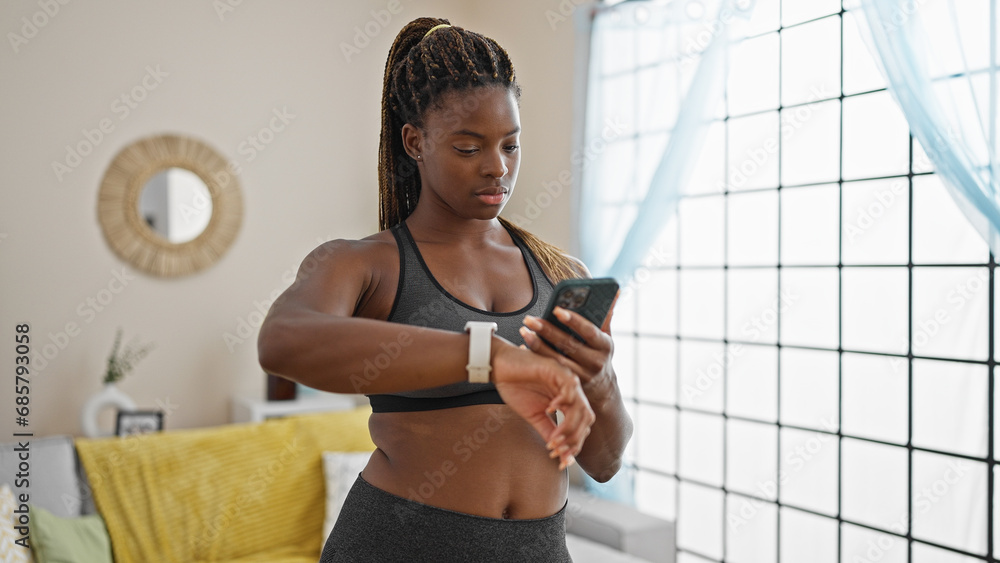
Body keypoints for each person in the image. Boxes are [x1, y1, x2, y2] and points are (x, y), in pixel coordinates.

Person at [257, 16, 632, 563]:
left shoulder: (559, 272)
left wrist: (598, 380)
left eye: (511, 145)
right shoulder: (365, 264)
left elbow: (604, 462)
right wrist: (488, 358)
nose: (497, 168)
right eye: (467, 147)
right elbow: (282, 342)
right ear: (415, 141)